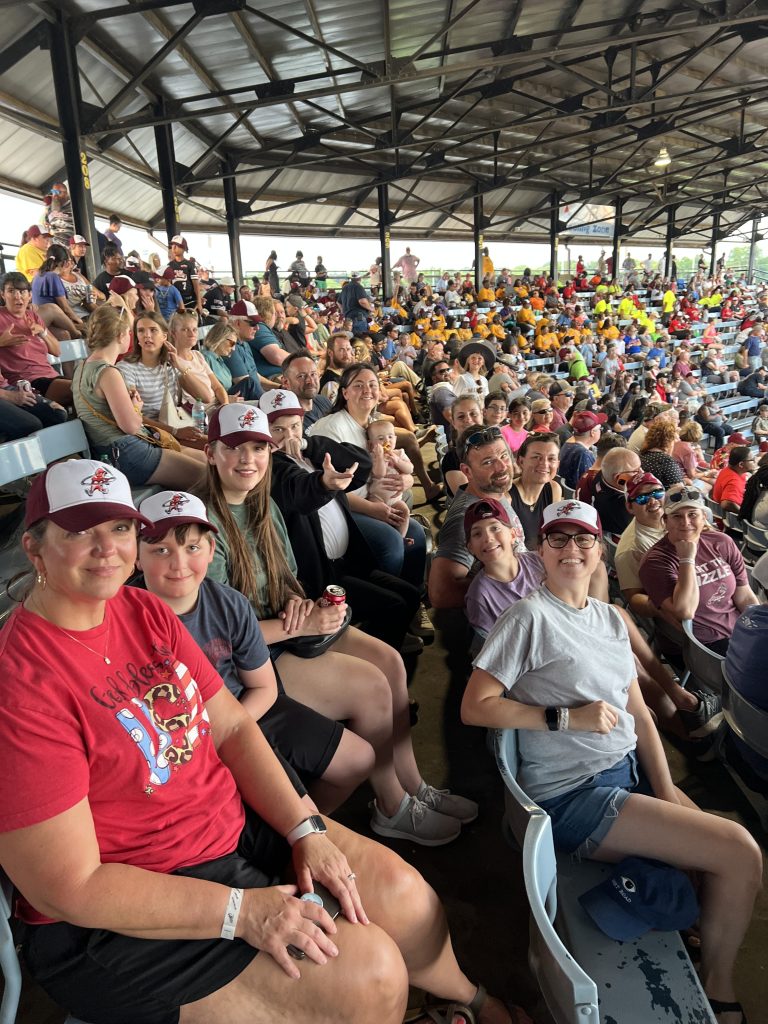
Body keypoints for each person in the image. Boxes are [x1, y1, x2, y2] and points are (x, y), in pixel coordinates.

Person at [0, 458, 519, 1024]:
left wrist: (305, 827)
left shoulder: (141, 610)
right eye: (79, 531)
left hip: (223, 828)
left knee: (403, 895)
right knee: (369, 978)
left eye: (120, 528)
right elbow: (66, 887)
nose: (107, 548)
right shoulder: (19, 682)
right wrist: (242, 913)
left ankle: (467, 997)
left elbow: (230, 725)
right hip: (117, 912)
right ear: (34, 546)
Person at [461, 498, 762, 1024]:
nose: (570, 549)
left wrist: (665, 790)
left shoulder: (608, 619)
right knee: (738, 853)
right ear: (541, 549)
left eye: (582, 539)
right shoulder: (528, 617)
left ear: (599, 550)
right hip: (577, 794)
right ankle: (719, 988)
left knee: (728, 860)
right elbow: (474, 707)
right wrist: (563, 718)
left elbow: (641, 717)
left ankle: (686, 927)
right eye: (558, 538)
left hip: (625, 773)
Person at [202, 403, 477, 845]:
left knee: (390, 661)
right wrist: (297, 625)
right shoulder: (204, 525)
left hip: (287, 629)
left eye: (257, 447)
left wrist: (298, 603)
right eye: (233, 448)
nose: (247, 459)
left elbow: (286, 578)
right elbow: (216, 636)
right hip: (251, 660)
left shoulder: (263, 503)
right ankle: (392, 805)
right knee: (369, 687)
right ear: (210, 453)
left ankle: (413, 785)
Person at [135, 489, 374, 813]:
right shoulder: (125, 616)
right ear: (137, 556)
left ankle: (295, 837)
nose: (178, 563)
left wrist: (232, 731)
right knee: (285, 809)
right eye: (160, 549)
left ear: (210, 550)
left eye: (192, 547)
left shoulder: (228, 603)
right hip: (178, 740)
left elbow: (264, 687)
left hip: (244, 710)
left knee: (359, 760)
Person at [307, 364, 427, 586]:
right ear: (345, 392)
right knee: (390, 541)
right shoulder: (331, 428)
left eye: (372, 385)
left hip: (374, 499)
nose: (367, 390)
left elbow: (398, 465)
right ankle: (387, 601)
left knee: (417, 534)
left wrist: (406, 480)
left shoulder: (373, 426)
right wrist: (373, 509)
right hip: (342, 508)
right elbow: (323, 488)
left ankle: (412, 596)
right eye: (358, 385)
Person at [72, 306, 207, 488]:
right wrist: (136, 406)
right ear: (121, 336)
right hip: (127, 452)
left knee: (212, 462)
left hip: (117, 449)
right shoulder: (109, 373)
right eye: (130, 331)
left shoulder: (81, 368)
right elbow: (132, 426)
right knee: (207, 476)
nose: (132, 337)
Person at [639, 484, 758, 654]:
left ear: (704, 518)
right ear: (665, 521)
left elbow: (744, 595)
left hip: (740, 632)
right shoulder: (655, 562)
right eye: (676, 516)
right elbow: (685, 611)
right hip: (705, 646)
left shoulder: (721, 542)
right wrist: (687, 559)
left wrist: (759, 626)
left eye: (692, 514)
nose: (685, 523)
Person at [428, 425, 528, 610]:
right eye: (488, 462)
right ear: (467, 471)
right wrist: (507, 588)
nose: (502, 467)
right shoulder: (466, 516)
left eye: (504, 456)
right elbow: (440, 594)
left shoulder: (495, 493)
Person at [116, 310, 208, 455]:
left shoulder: (170, 364)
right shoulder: (126, 368)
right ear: (137, 338)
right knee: (209, 455)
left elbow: (205, 396)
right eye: (141, 331)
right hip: (150, 434)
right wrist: (175, 432)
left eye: (153, 330)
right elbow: (133, 416)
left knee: (218, 447)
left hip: (174, 425)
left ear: (164, 336)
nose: (147, 335)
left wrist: (180, 365)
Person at [0, 271, 73, 406]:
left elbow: (57, 351)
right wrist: (1, 342)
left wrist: (43, 331)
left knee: (88, 392)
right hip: (27, 383)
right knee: (81, 392)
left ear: (30, 295)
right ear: (2, 294)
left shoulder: (33, 316)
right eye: (11, 291)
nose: (18, 297)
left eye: (22, 292)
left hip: (51, 376)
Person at [509, 433, 563, 549]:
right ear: (521, 461)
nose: (544, 464)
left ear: (557, 464)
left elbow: (553, 534)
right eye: (536, 457)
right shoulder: (507, 497)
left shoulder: (554, 489)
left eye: (551, 459)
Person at [169, 311, 230, 411]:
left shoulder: (198, 355)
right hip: (200, 412)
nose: (192, 334)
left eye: (194, 329)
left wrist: (225, 405)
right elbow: (204, 398)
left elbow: (217, 387)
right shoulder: (173, 361)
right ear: (173, 333)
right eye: (185, 330)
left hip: (218, 406)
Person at [367, 419, 413, 540]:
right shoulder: (373, 457)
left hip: (395, 499)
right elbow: (379, 474)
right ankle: (389, 537)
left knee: (405, 512)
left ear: (396, 439)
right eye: (381, 438)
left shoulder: (399, 453)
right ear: (371, 444)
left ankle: (401, 538)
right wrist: (380, 458)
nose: (387, 441)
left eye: (390, 437)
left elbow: (410, 469)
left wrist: (397, 461)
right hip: (377, 497)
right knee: (379, 519)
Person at [281, 349, 332, 428]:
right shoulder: (286, 419)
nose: (310, 381)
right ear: (285, 382)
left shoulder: (324, 402)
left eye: (313, 374)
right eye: (301, 376)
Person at [558, 411, 606, 490]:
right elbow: (589, 486)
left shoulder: (569, 442)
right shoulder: (583, 454)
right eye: (600, 428)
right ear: (593, 432)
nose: (601, 431)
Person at [639, 419, 685, 490]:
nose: (678, 440)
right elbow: (680, 491)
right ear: (668, 440)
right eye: (675, 439)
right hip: (662, 497)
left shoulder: (643, 454)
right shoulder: (666, 461)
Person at [165, 235, 203, 317]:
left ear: (183, 248)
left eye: (177, 246)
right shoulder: (169, 265)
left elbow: (196, 286)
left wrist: (199, 304)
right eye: (172, 245)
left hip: (189, 302)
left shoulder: (190, 265)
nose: (173, 248)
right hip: (175, 302)